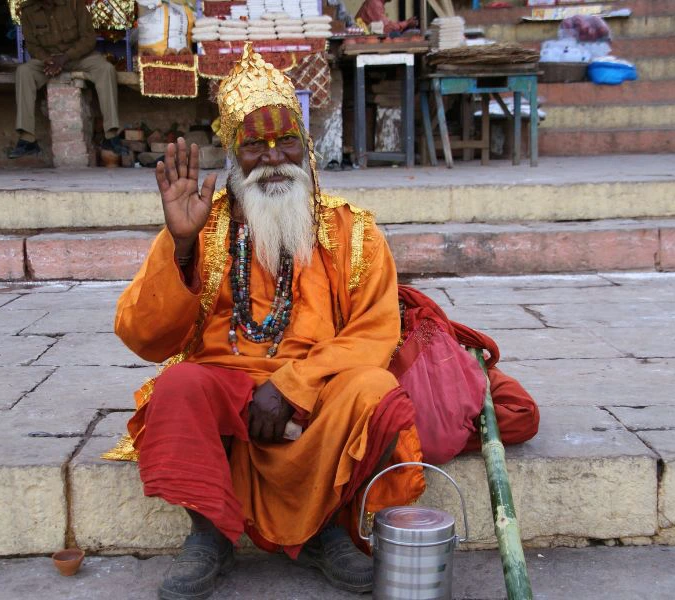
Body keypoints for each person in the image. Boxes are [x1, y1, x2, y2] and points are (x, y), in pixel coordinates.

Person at [114, 44, 538, 600]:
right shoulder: (203, 224)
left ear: (306, 145)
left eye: (284, 140)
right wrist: (184, 246)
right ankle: (209, 532)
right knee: (178, 384)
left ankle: (328, 530)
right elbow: (143, 336)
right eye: (254, 144)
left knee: (373, 389)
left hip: (318, 390)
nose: (272, 156)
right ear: (233, 155)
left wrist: (292, 387)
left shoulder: (350, 230)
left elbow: (375, 331)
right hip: (227, 385)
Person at [9, 0, 126, 158]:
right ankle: (27, 139)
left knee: (106, 70)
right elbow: (32, 45)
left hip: (78, 57)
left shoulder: (74, 4)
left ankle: (111, 135)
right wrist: (48, 60)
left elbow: (88, 39)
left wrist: (64, 58)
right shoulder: (28, 11)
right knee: (24, 72)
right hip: (49, 60)